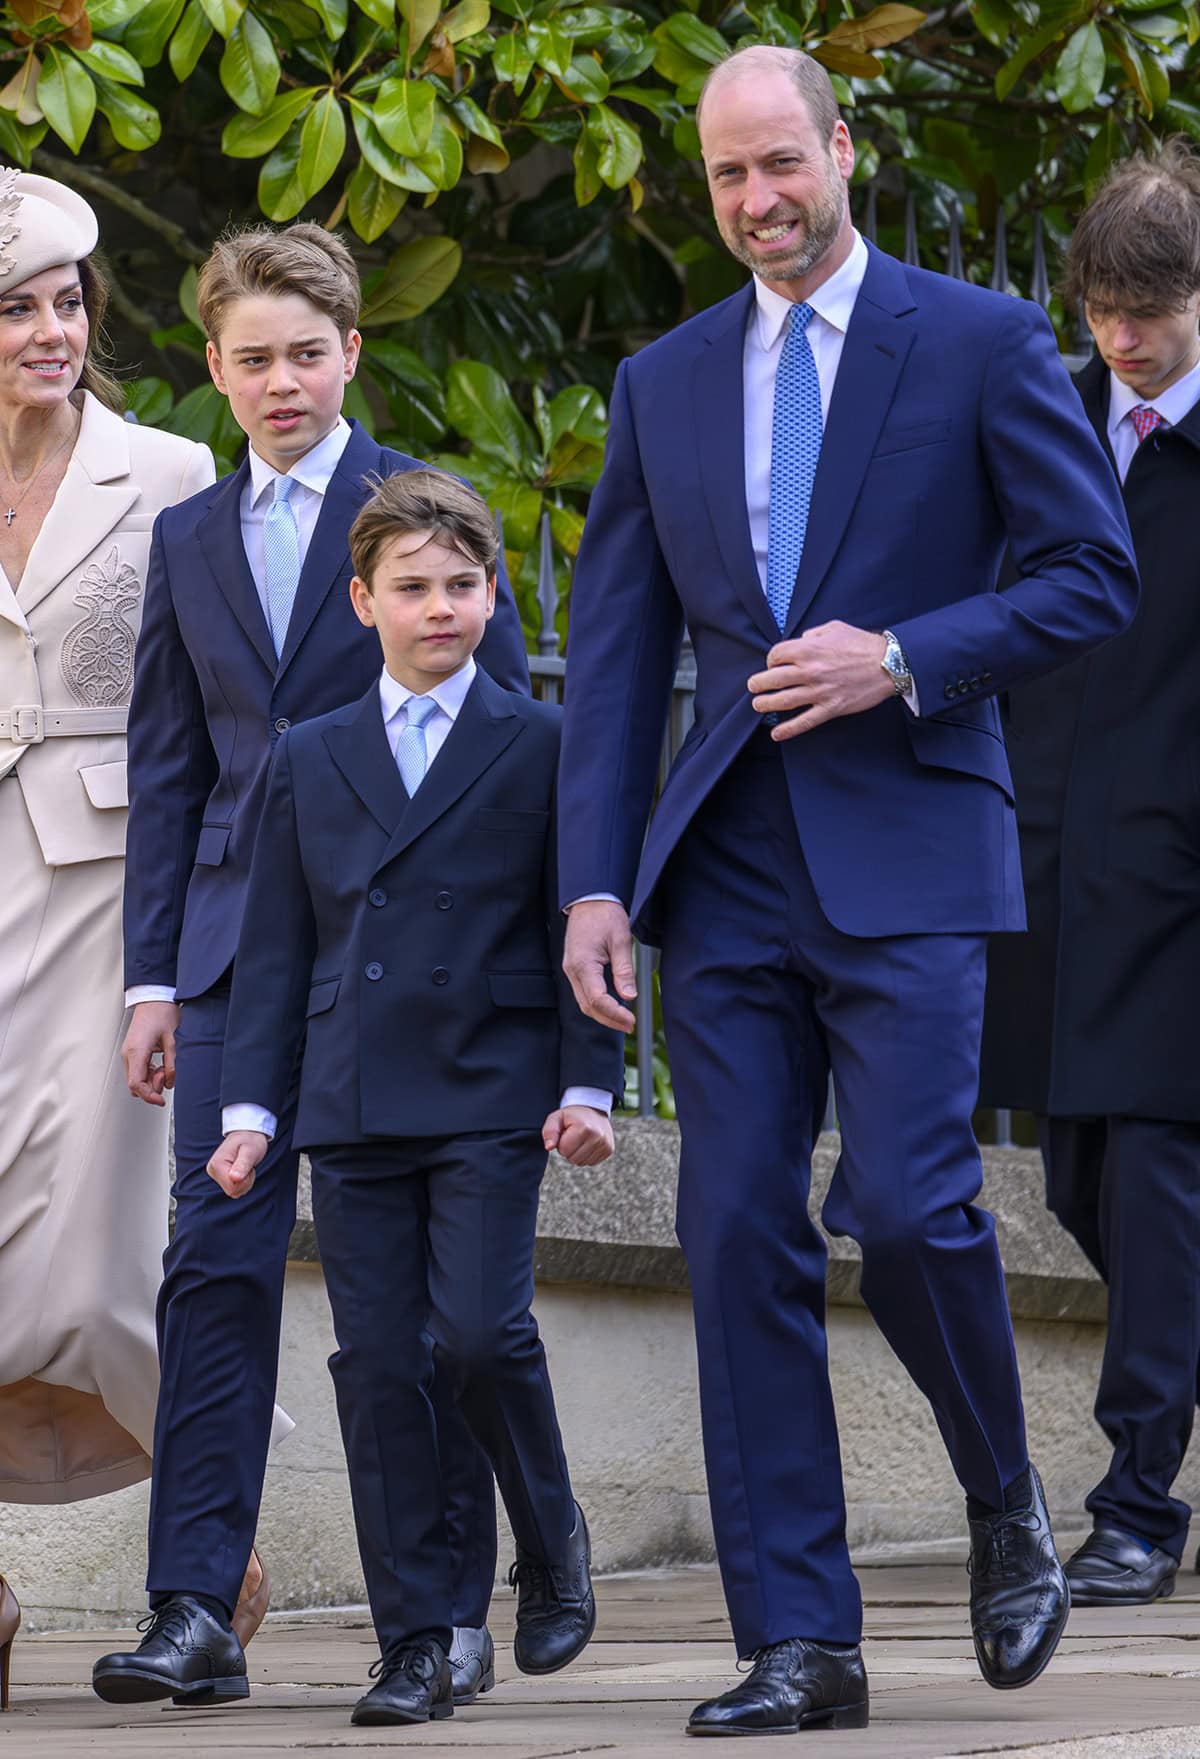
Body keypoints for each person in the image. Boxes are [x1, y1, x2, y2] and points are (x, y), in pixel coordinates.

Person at [558, 45, 1140, 1739]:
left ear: (842, 148)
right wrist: (595, 881)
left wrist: (905, 654)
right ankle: (801, 1637)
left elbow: (1089, 568)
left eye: (779, 166)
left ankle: (1003, 1492)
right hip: (726, 863)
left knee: (904, 1201)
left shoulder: (973, 340)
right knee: (732, 1224)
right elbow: (611, 655)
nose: (757, 203)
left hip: (909, 846)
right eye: (728, 176)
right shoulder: (663, 381)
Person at [92, 224, 530, 1708]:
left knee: (399, 1310)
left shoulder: (426, 522)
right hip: (225, 965)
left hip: (395, 971)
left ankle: (440, 1619)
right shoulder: (190, 538)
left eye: (305, 352)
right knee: (209, 1274)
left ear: (350, 351)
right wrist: (154, 975)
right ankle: (194, 1605)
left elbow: (508, 761)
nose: (279, 381)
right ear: (212, 368)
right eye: (250, 357)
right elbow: (168, 773)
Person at [174, 468, 617, 1725]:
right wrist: (249, 1113)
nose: (441, 608)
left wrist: (587, 1080)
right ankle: (423, 1632)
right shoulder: (311, 755)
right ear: (362, 600)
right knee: (377, 1365)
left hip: (493, 1085)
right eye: (412, 588)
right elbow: (273, 949)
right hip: (354, 1094)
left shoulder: (542, 742)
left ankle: (551, 1529)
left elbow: (578, 921)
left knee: (478, 1335)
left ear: (494, 597)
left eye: (463, 587)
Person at [0, 171, 214, 1705]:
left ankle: (213, 1532)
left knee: (90, 1276)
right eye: (16, 306)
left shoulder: (173, 470)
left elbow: (222, 706)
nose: (52, 329)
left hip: (104, 897)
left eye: (67, 301)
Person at [981, 141, 1200, 1607]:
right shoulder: (1047, 419)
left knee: (1160, 1178)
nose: (1124, 340)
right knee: (1075, 1174)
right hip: (1049, 865)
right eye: (1105, 309)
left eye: (1155, 311)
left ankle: (1136, 1497)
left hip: (1185, 875)